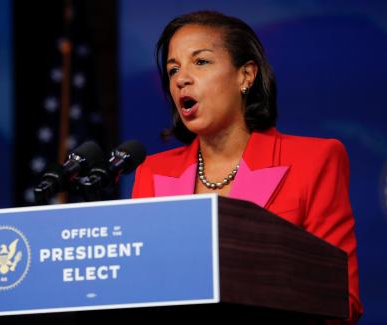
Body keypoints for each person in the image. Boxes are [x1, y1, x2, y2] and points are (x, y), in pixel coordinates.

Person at [131, 11, 362, 323]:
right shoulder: (153, 173)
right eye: (173, 69)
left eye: (201, 62)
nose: (181, 78)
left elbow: (342, 301)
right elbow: (138, 289)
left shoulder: (316, 159)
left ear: (246, 76)